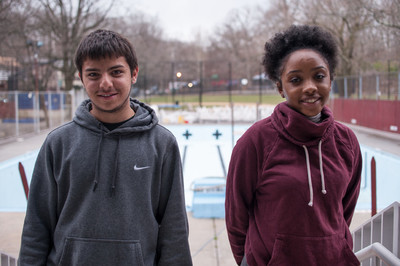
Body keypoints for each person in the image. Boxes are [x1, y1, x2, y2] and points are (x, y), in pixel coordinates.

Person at [18, 29, 192, 265]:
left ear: (134, 74)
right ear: (81, 78)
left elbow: (174, 230)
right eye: (93, 74)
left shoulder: (161, 144)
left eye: (116, 72)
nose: (105, 83)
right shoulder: (58, 143)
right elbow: (36, 227)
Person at [225, 25, 362, 266]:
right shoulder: (255, 142)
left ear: (331, 81)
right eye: (296, 80)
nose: (310, 87)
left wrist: (333, 245)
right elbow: (236, 217)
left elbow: (344, 210)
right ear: (280, 87)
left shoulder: (346, 141)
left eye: (319, 76)